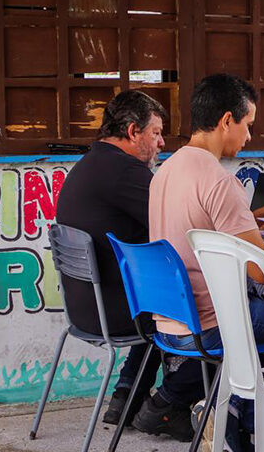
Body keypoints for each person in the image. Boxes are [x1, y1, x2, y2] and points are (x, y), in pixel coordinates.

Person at [140, 74, 264, 439]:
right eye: (247, 125)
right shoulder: (219, 181)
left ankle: (236, 414)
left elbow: (202, 228)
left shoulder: (164, 171)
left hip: (169, 319)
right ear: (226, 120)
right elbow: (262, 271)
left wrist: (259, 216)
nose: (249, 137)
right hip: (211, 322)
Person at [54, 90, 203, 429]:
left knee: (158, 297)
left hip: (86, 307)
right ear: (134, 132)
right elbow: (178, 225)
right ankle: (170, 403)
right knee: (208, 308)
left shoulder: (94, 162)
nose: (162, 142)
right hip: (117, 310)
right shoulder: (124, 171)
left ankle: (125, 397)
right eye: (156, 133)